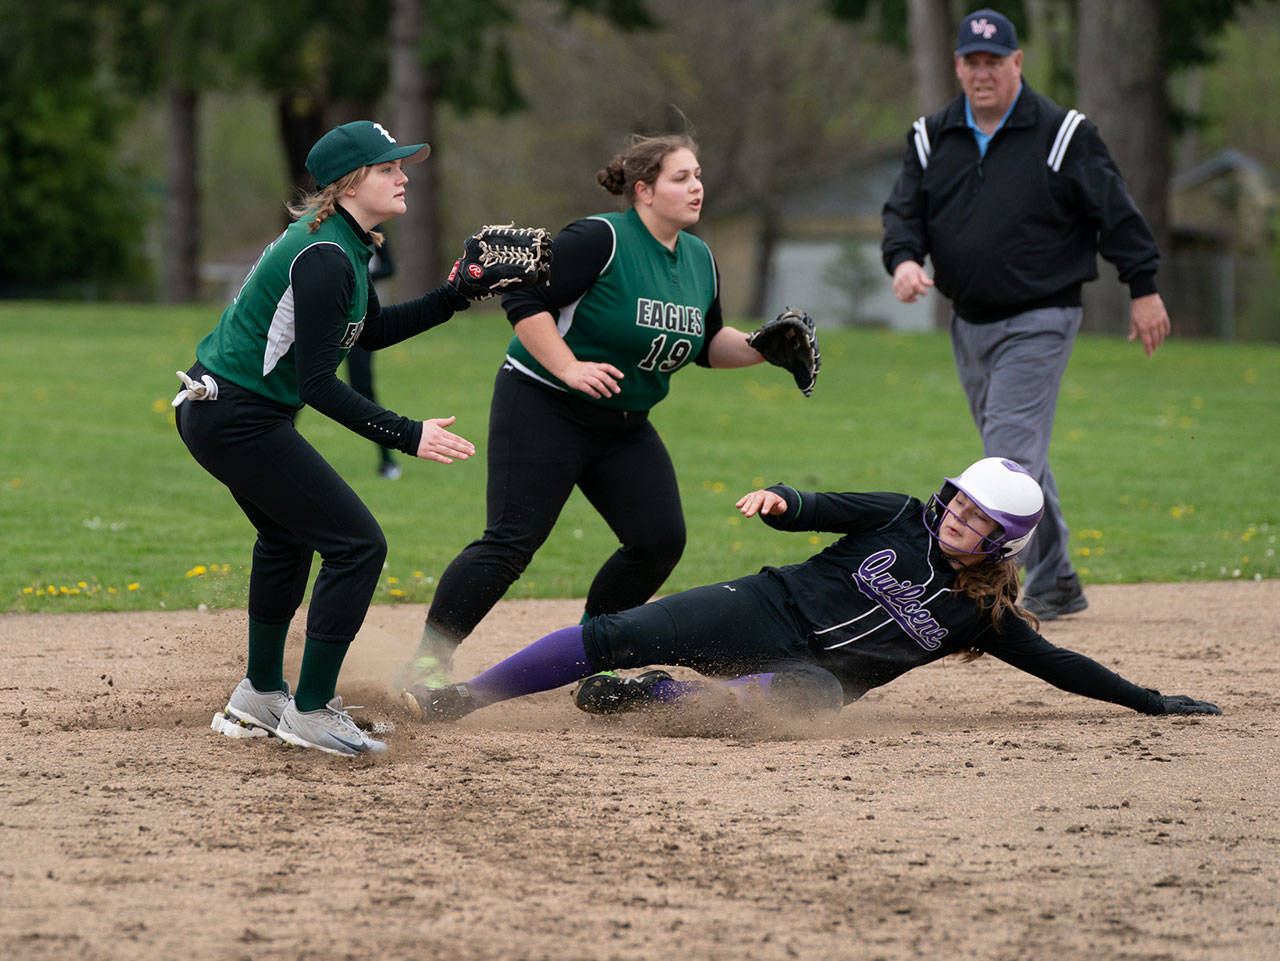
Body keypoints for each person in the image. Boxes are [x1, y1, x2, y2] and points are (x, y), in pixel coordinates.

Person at [174, 120, 543, 756]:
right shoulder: (323, 257)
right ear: (348, 184)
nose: (403, 176)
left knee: (288, 537)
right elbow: (318, 383)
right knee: (356, 545)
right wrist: (407, 434)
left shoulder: (344, 243)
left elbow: (367, 332)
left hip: (230, 410)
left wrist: (456, 295)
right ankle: (310, 711)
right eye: (387, 168)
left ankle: (262, 695)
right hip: (236, 415)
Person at [398, 132, 806, 689]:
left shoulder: (698, 259)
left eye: (698, 175)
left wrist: (762, 348)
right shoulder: (601, 239)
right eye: (680, 177)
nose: (696, 187)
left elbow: (706, 345)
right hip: (543, 403)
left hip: (623, 424)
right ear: (643, 190)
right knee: (513, 540)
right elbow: (521, 297)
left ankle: (591, 650)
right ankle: (428, 658)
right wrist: (568, 367)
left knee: (658, 540)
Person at [401, 457, 1220, 724]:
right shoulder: (901, 516)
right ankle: (468, 695)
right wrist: (780, 503)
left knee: (793, 697)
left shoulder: (983, 616)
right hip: (765, 606)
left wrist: (1150, 700)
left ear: (1003, 542)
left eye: (979, 518)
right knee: (616, 630)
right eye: (960, 501)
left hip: (813, 678)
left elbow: (1061, 666)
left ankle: (657, 698)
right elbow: (816, 507)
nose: (960, 516)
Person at [880, 8, 1172, 621]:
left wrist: (1143, 286)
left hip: (1042, 314)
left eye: (994, 61)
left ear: (1017, 63)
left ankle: (997, 598)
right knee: (1016, 452)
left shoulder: (1064, 133)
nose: (981, 72)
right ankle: (1058, 579)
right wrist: (904, 260)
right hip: (970, 319)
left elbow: (1114, 212)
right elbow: (903, 213)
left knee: (1007, 453)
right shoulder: (931, 136)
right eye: (971, 61)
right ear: (957, 66)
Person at [346, 231, 401, 479]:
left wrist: (361, 276)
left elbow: (389, 268)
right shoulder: (330, 228)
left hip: (361, 320)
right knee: (298, 385)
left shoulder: (375, 229)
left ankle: (387, 459)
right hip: (327, 317)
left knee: (363, 391)